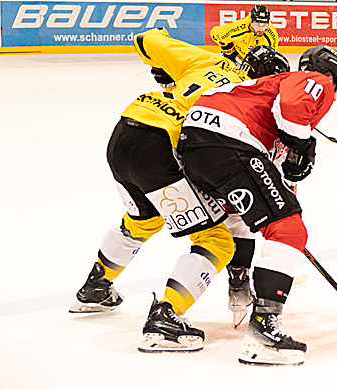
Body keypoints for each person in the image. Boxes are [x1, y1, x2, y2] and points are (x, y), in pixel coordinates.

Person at [68, 29, 286, 349]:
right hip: (163, 149)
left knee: (145, 219)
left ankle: (96, 287)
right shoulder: (256, 104)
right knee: (216, 241)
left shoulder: (207, 60)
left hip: (128, 129)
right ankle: (166, 317)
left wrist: (165, 67)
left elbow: (145, 39)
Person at [179, 45, 337, 365]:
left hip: (195, 146)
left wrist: (291, 166)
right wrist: (305, 143)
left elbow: (279, 175)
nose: (334, 94)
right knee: (289, 229)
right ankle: (264, 332)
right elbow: (293, 106)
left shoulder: (260, 93)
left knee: (246, 219)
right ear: (331, 75)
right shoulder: (314, 79)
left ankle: (237, 285)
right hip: (228, 140)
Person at [210, 4, 279, 64]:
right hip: (235, 59)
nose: (261, 29)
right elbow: (215, 34)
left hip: (253, 64)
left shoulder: (271, 36)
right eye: (257, 25)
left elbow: (273, 56)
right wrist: (230, 53)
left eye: (264, 26)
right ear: (251, 21)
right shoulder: (239, 27)